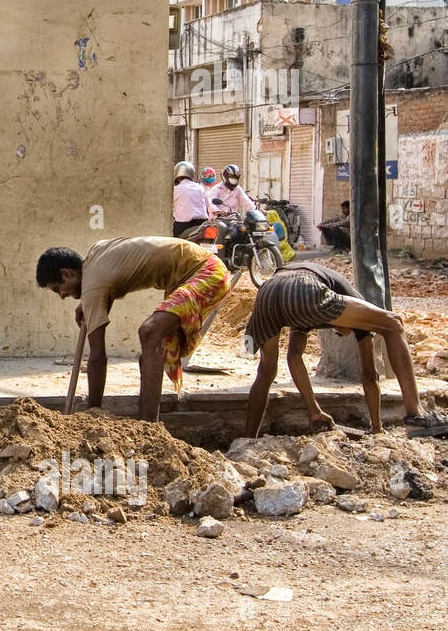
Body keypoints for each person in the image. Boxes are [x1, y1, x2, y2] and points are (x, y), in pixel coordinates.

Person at [37, 237, 231, 422]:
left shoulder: (93, 286)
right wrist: (87, 302)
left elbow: (97, 357)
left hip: (208, 273)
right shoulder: (95, 255)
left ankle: (149, 426)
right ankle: (143, 421)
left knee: (149, 332)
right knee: (149, 353)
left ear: (67, 274)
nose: (62, 296)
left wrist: (91, 413)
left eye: (57, 289)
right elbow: (107, 280)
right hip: (193, 273)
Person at [244, 262, 447, 437]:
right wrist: (376, 427)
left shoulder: (308, 314)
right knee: (393, 323)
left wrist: (314, 410)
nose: (339, 332)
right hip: (303, 286)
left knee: (266, 371)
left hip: (267, 290)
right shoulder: (356, 310)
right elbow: (369, 375)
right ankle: (417, 415)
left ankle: (248, 438)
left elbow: (294, 357)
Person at [173, 161, 211, 237]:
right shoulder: (201, 188)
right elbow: (208, 206)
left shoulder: (176, 189)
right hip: (202, 224)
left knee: (169, 242)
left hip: (184, 226)